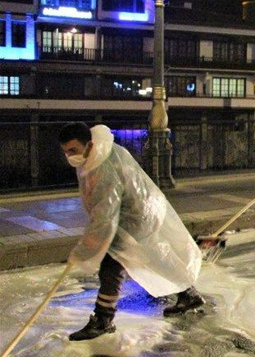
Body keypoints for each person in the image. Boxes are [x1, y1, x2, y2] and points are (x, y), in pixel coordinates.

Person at [58, 123, 204, 341]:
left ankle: (103, 320)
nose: (70, 157)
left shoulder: (104, 169)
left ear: (89, 144)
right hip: (140, 210)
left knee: (112, 265)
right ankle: (189, 294)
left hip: (134, 218)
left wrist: (84, 251)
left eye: (73, 150)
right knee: (152, 257)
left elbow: (104, 218)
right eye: (66, 152)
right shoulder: (104, 150)